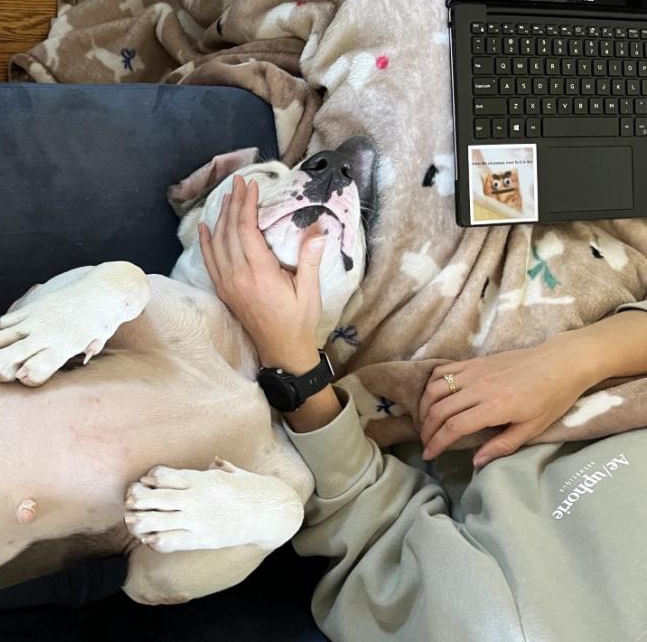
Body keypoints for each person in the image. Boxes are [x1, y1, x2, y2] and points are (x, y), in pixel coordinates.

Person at [199, 177, 647, 641]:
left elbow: (366, 515)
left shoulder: (486, 625)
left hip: (423, 339)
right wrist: (577, 359)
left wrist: (289, 355)